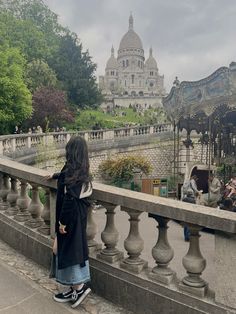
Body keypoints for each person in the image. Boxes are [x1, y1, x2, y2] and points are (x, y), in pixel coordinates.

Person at [47, 136, 92, 308]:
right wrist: (55, 175)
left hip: (70, 219)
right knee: (65, 250)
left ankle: (79, 287)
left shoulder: (75, 171)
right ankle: (72, 287)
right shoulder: (78, 169)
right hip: (75, 218)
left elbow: (70, 200)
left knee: (67, 250)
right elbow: (66, 177)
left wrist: (62, 223)